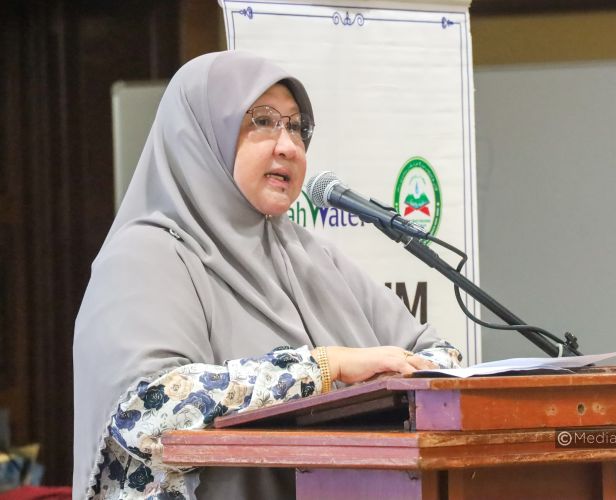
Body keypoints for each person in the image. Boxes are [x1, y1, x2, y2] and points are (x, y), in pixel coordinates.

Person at [73, 51, 461, 499]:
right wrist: (325, 369)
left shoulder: (311, 256)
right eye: (262, 121)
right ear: (199, 137)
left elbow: (439, 358)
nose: (288, 146)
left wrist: (392, 384)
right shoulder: (144, 256)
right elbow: (147, 409)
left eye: (296, 127)